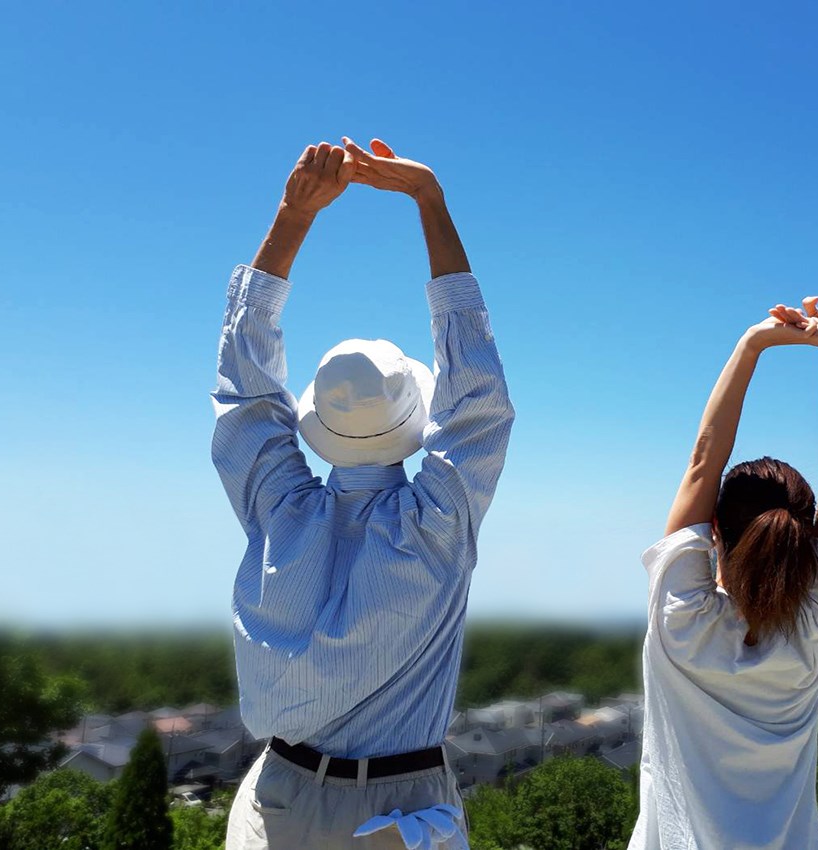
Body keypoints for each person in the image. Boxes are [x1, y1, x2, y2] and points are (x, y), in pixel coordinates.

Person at [211, 137, 514, 849]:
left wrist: (294, 217)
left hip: (274, 803)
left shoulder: (278, 509)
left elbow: (244, 385)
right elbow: (479, 400)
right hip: (398, 813)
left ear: (318, 421)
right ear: (415, 422)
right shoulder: (436, 525)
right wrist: (429, 201)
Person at [629, 297, 818, 849]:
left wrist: (753, 342)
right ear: (805, 536)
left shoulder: (680, 620)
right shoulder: (814, 622)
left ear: (713, 529)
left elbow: (703, 462)